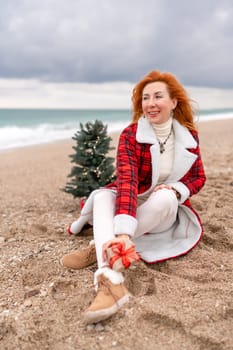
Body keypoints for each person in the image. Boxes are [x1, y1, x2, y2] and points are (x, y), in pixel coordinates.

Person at [60, 70, 206, 324]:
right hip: (132, 203)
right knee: (105, 195)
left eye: (158, 96)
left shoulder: (189, 136)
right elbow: (127, 181)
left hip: (162, 212)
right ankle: (110, 280)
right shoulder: (131, 135)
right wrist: (125, 233)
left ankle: (99, 246)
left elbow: (198, 177)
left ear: (173, 102)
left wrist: (175, 189)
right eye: (145, 97)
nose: (150, 103)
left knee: (165, 199)